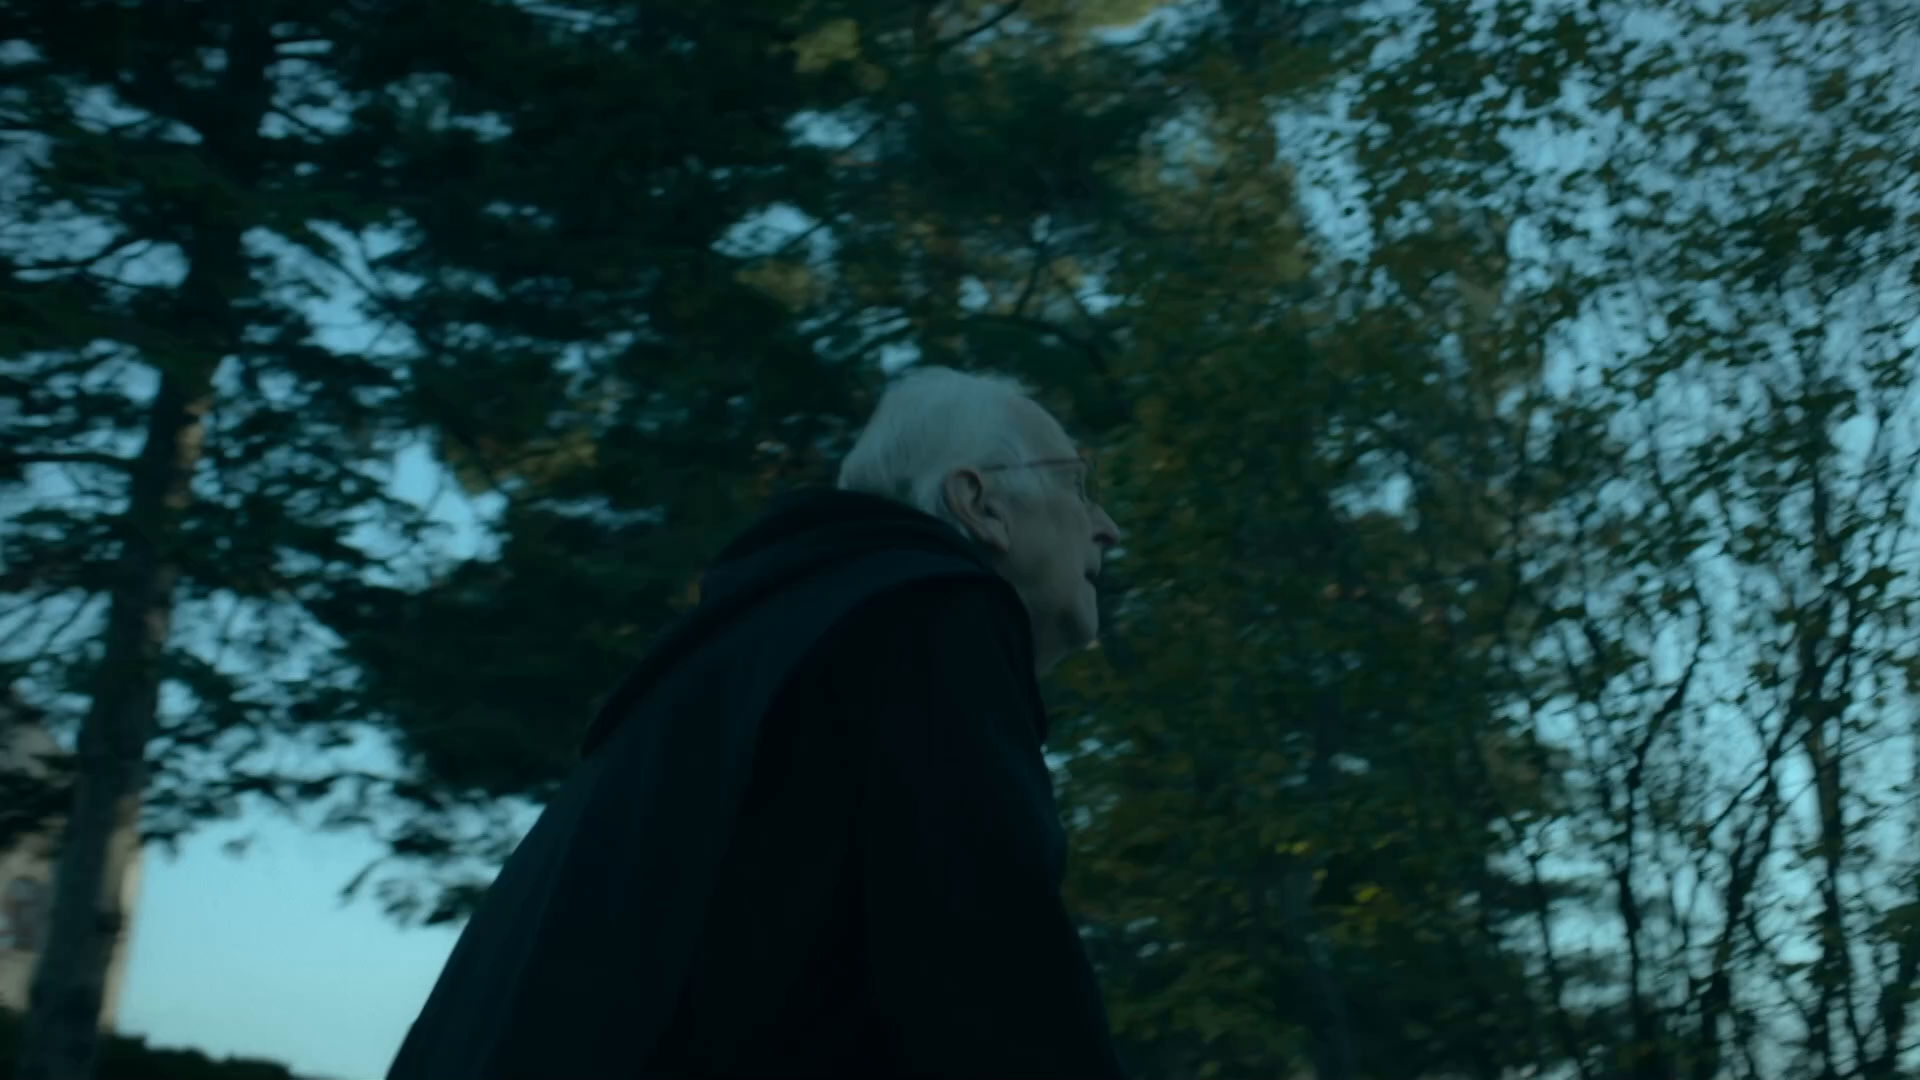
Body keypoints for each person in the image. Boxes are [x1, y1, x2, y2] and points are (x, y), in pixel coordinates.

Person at [387, 366, 1127, 1079]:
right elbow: (994, 978)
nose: (1108, 528)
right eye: (1078, 485)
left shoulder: (738, 654)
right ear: (978, 503)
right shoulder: (922, 615)